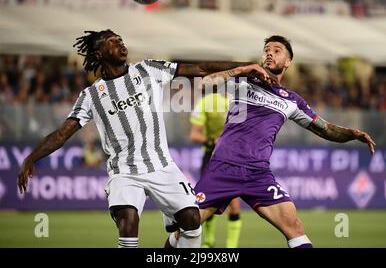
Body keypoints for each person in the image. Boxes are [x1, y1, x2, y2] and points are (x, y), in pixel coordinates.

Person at [17, 29, 272, 248]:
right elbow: (63, 133)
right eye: (112, 41)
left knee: (192, 221)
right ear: (98, 54)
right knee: (128, 221)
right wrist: (31, 157)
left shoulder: (147, 70)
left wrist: (243, 68)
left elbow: (202, 69)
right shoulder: (92, 95)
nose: (120, 43)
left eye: (120, 39)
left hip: (162, 166)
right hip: (124, 172)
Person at [169, 35, 376, 248]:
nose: (269, 53)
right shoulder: (244, 81)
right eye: (266, 49)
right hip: (223, 167)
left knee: (294, 227)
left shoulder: (292, 100)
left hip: (259, 174)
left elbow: (325, 130)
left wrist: (352, 134)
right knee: (186, 226)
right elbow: (205, 84)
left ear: (288, 62)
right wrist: (242, 69)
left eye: (277, 50)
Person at [190, 90, 242, 248]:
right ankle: (208, 242)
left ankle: (231, 247)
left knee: (234, 203)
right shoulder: (205, 102)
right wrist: (213, 141)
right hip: (211, 156)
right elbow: (194, 135)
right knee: (206, 201)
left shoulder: (241, 101)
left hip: (233, 157)